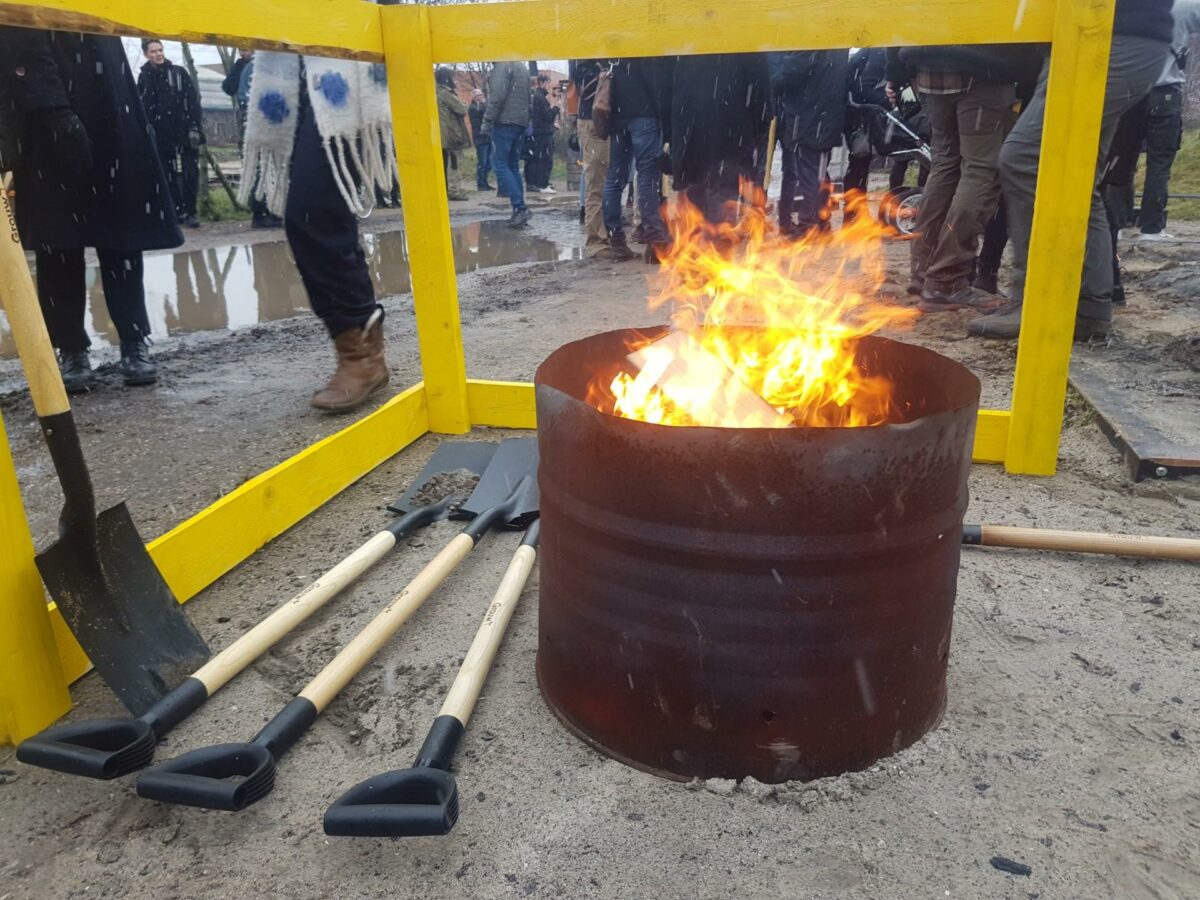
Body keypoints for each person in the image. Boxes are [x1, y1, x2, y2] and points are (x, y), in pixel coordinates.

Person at [968, 0, 1175, 341]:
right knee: (1078, 179)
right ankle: (1089, 308)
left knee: (1023, 159)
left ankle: (1037, 301)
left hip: (1107, 33)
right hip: (1105, 34)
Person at [0, 28, 180, 391]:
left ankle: (134, 338)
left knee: (121, 234)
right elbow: (19, 37)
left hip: (110, 100)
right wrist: (52, 107)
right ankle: (70, 347)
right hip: (47, 112)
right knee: (58, 240)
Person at [240, 51, 397, 411]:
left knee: (313, 211)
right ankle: (359, 346)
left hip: (347, 68)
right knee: (313, 216)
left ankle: (361, 351)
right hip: (292, 65)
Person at [885, 43, 1040, 312]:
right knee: (981, 170)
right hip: (983, 66)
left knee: (945, 165)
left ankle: (924, 272)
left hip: (927, 67)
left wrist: (896, 71)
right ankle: (946, 280)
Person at [669, 53, 772, 225]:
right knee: (722, 202)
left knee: (701, 201)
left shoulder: (687, 43)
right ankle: (716, 237)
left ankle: (705, 236)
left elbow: (670, 84)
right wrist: (760, 125)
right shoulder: (746, 44)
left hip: (695, 133)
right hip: (731, 134)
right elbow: (760, 89)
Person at [1134, 1, 1200, 239]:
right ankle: (1151, 227)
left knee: (1122, 163)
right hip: (1165, 94)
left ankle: (1117, 223)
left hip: (1129, 92)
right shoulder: (1184, 6)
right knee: (1159, 164)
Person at [601, 56, 673, 262]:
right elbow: (656, 82)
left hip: (617, 115)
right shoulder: (645, 47)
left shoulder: (615, 48)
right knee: (648, 175)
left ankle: (616, 240)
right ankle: (654, 239)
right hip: (645, 114)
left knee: (615, 177)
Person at [771, 49, 848, 239]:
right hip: (824, 115)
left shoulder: (810, 41)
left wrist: (773, 79)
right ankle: (821, 223)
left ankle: (809, 226)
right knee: (818, 172)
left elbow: (791, 73)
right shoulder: (835, 42)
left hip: (810, 117)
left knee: (811, 174)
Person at [138, 39, 204, 228]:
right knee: (168, 173)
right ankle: (177, 210)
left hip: (185, 129)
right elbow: (143, 106)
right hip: (161, 132)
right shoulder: (145, 77)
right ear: (146, 54)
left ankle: (191, 211)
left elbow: (192, 101)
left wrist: (194, 126)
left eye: (160, 50)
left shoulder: (178, 73)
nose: (158, 54)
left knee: (190, 172)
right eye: (153, 51)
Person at [221, 49, 280, 228]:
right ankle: (261, 211)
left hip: (255, 118)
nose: (243, 53)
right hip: (256, 119)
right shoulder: (251, 67)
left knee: (263, 165)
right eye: (241, 49)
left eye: (245, 49)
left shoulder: (258, 67)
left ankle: (266, 209)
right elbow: (229, 88)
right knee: (261, 165)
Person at [480, 60, 532, 228]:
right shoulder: (521, 66)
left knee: (500, 165)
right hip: (520, 122)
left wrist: (487, 120)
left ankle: (520, 208)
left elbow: (497, 97)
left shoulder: (501, 67)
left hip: (504, 122)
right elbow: (528, 96)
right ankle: (519, 209)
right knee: (513, 166)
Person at [842, 47, 889, 219]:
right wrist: (889, 100)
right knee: (859, 163)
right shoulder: (877, 55)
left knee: (859, 164)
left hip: (856, 114)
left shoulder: (870, 53)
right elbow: (862, 90)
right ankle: (854, 213)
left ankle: (856, 212)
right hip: (859, 117)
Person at [569, 59, 609, 254]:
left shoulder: (584, 63)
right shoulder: (588, 64)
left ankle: (602, 235)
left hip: (597, 118)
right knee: (596, 181)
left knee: (599, 180)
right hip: (596, 120)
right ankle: (596, 240)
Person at [436, 66, 471, 202]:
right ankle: (454, 191)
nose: (454, 80)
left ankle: (447, 189)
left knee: (446, 164)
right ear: (447, 78)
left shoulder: (436, 92)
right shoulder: (445, 94)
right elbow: (461, 109)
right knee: (454, 164)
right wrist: (464, 103)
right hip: (451, 135)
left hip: (443, 135)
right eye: (452, 76)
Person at [528, 73, 560, 193]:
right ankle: (543, 184)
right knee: (545, 159)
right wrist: (556, 107)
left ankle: (540, 182)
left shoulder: (539, 96)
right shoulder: (540, 97)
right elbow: (547, 116)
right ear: (542, 83)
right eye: (547, 83)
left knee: (541, 158)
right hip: (543, 133)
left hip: (541, 131)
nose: (549, 86)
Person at [467, 88, 493, 190]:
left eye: (481, 95)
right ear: (474, 97)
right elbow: (481, 116)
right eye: (478, 95)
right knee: (482, 162)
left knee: (489, 162)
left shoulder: (481, 106)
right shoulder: (474, 108)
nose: (480, 97)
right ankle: (481, 183)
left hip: (487, 136)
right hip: (480, 138)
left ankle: (484, 181)